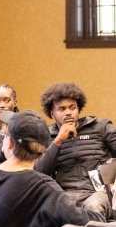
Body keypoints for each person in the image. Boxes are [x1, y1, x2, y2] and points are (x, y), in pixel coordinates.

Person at [35, 82, 116, 216]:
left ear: (79, 109)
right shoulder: (46, 136)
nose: (68, 113)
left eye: (72, 108)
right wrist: (58, 140)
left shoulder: (100, 127)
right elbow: (39, 172)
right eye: (61, 109)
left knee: (94, 206)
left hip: (96, 193)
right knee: (44, 212)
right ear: (51, 113)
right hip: (64, 195)